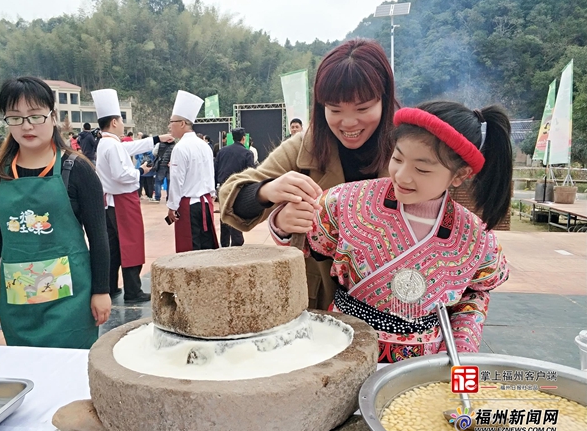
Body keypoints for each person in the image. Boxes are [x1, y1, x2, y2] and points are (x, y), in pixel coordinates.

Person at [270, 100, 512, 362]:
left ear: (460, 175)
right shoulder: (346, 201)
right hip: (342, 348)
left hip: (422, 366)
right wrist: (283, 222)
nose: (402, 176)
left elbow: (475, 294)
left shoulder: (475, 237)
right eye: (397, 158)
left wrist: (459, 355)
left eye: (422, 168)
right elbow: (303, 241)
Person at [219, 38, 397, 310]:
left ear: (384, 99)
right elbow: (233, 197)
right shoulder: (306, 146)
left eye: (362, 109)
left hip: (395, 304)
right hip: (320, 306)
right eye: (335, 110)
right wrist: (269, 194)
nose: (348, 123)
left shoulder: (408, 146)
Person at [0, 76, 111, 349]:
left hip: (71, 301)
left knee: (70, 378)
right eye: (15, 118)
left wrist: (101, 290)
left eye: (35, 116)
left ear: (53, 116)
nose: (26, 126)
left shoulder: (77, 169)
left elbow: (99, 236)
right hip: (18, 301)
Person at [93, 88, 158, 303]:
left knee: (113, 247)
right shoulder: (112, 145)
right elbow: (122, 174)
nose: (123, 124)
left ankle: (110, 286)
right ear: (113, 122)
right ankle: (133, 291)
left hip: (110, 201)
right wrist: (141, 172)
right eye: (121, 120)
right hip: (122, 200)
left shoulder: (107, 142)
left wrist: (155, 139)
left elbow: (130, 148)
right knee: (131, 245)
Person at [166, 90, 219, 252]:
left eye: (172, 121)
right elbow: (211, 173)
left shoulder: (180, 148)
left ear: (182, 123)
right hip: (205, 203)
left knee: (189, 249)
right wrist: (212, 196)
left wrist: (172, 206)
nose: (169, 126)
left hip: (188, 205)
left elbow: (176, 180)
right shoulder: (204, 145)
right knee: (206, 248)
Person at [215, 127, 256, 247]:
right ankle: (237, 242)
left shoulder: (222, 152)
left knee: (224, 214)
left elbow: (216, 169)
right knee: (235, 214)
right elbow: (251, 172)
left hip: (223, 187)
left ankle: (224, 243)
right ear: (244, 138)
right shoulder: (247, 153)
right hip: (238, 188)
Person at [152, 134, 176, 202]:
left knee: (158, 182)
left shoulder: (159, 144)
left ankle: (157, 197)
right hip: (170, 166)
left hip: (161, 165)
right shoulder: (175, 146)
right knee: (170, 182)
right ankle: (169, 198)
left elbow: (154, 153)